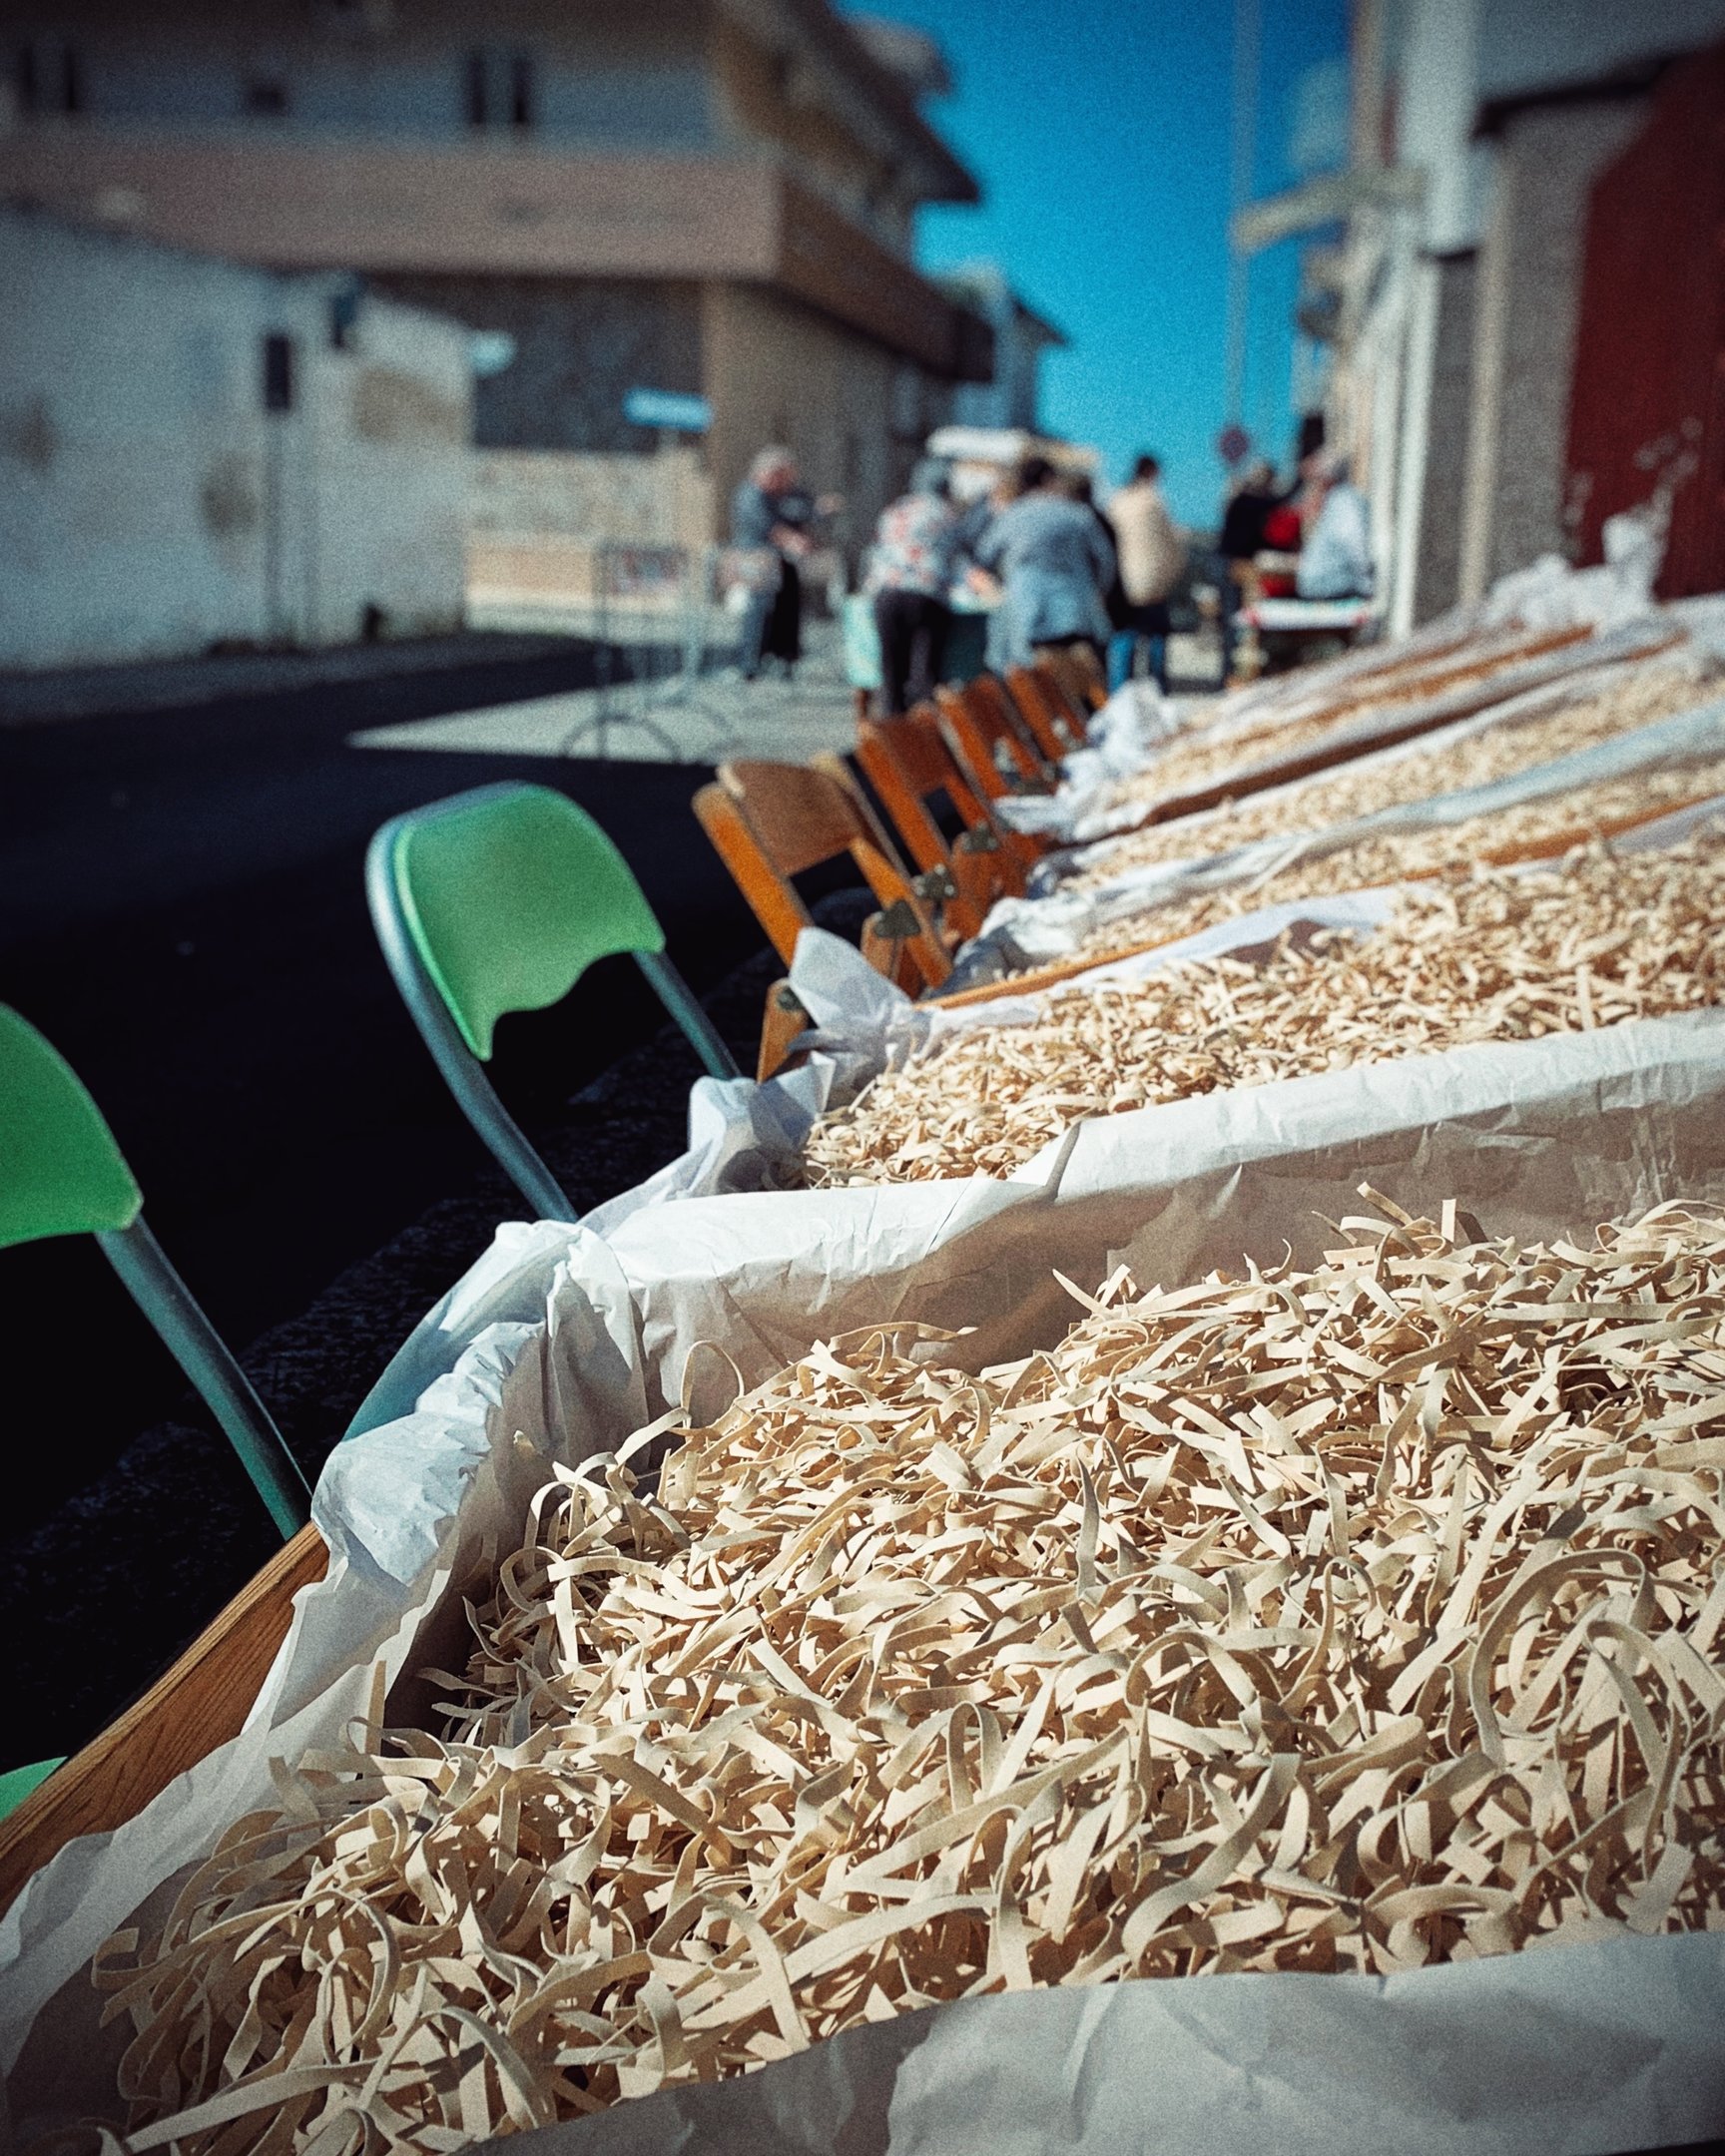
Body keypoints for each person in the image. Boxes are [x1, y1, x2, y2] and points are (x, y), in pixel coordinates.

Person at [973, 455, 1115, 672]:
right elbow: (1105, 559)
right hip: (1076, 612)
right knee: (1078, 685)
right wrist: (1100, 591)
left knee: (1035, 688)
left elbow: (984, 555)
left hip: (1026, 615)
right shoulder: (1077, 513)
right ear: (1049, 478)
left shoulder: (1013, 514)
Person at [864, 457, 963, 716]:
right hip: (926, 595)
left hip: (886, 594)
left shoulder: (895, 510)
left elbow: (878, 550)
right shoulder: (945, 512)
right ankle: (921, 741)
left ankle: (891, 738)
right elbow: (958, 558)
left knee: (892, 675)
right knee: (924, 676)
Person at [730, 446, 818, 681]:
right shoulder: (750, 494)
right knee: (758, 610)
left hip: (781, 561)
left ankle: (783, 657)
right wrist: (792, 539)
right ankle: (749, 663)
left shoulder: (785, 495)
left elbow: (801, 512)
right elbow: (767, 525)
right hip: (756, 559)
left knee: (787, 609)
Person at [1107, 453, 1184, 692]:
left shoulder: (1117, 500)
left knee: (1124, 637)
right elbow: (1171, 544)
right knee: (1155, 637)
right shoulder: (1154, 501)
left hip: (1121, 580)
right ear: (1152, 472)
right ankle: (1156, 690)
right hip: (1151, 580)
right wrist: (1171, 574)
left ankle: (1119, 691)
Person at [1296, 452, 1374, 600]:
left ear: (1327, 480)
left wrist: (1365, 583)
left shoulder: (1344, 500)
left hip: (1335, 589)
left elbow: (1354, 542)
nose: (1314, 487)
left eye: (1316, 480)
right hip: (1324, 589)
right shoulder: (1333, 501)